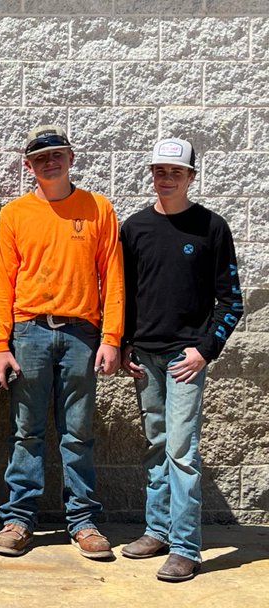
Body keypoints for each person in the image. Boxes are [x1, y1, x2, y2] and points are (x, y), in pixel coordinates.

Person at [0, 125, 124, 560]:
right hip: (28, 330)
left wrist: (111, 338)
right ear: (28, 166)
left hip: (82, 334)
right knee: (25, 430)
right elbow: (2, 283)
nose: (51, 162)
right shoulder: (14, 214)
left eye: (58, 155)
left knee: (78, 433)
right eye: (41, 158)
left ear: (71, 158)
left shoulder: (97, 208)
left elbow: (113, 278)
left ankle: (84, 522)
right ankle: (18, 518)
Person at [119, 138, 243, 582]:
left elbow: (231, 300)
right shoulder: (134, 229)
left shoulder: (211, 227)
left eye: (176, 171)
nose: (166, 177)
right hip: (144, 356)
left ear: (191, 176)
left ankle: (187, 547)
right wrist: (125, 343)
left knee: (182, 452)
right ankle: (157, 530)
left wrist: (204, 349)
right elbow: (125, 295)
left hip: (184, 357)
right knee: (156, 447)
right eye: (160, 170)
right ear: (151, 174)